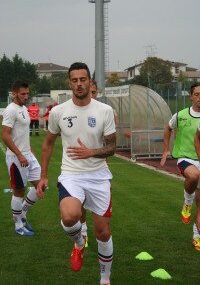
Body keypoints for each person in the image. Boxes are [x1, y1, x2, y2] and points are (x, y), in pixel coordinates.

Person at [37, 62, 116, 285]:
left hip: (99, 176)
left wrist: (91, 151)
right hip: (71, 175)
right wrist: (43, 176)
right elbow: (48, 144)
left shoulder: (104, 111)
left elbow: (112, 147)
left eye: (83, 79)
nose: (79, 84)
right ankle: (79, 243)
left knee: (102, 233)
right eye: (75, 80)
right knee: (70, 216)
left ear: (90, 82)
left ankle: (105, 279)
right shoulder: (59, 112)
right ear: (69, 83)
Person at [160, 83, 200, 251]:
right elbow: (168, 128)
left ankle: (196, 237)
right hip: (185, 158)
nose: (199, 97)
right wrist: (166, 149)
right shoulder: (181, 115)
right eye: (197, 94)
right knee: (194, 175)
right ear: (191, 97)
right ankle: (186, 203)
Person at [2, 81, 41, 236]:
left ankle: (23, 214)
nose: (26, 96)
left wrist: (29, 151)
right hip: (16, 158)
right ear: (14, 94)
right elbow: (5, 135)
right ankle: (18, 224)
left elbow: (23, 133)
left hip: (28, 155)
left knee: (40, 186)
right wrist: (19, 154)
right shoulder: (11, 110)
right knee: (19, 191)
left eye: (27, 93)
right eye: (23, 93)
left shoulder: (24, 108)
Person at [80, 78, 98, 246]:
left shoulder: (105, 112)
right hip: (78, 169)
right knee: (80, 204)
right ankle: (83, 232)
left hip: (99, 169)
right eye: (89, 92)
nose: (91, 95)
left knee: (100, 210)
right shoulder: (76, 111)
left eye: (94, 92)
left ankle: (102, 235)